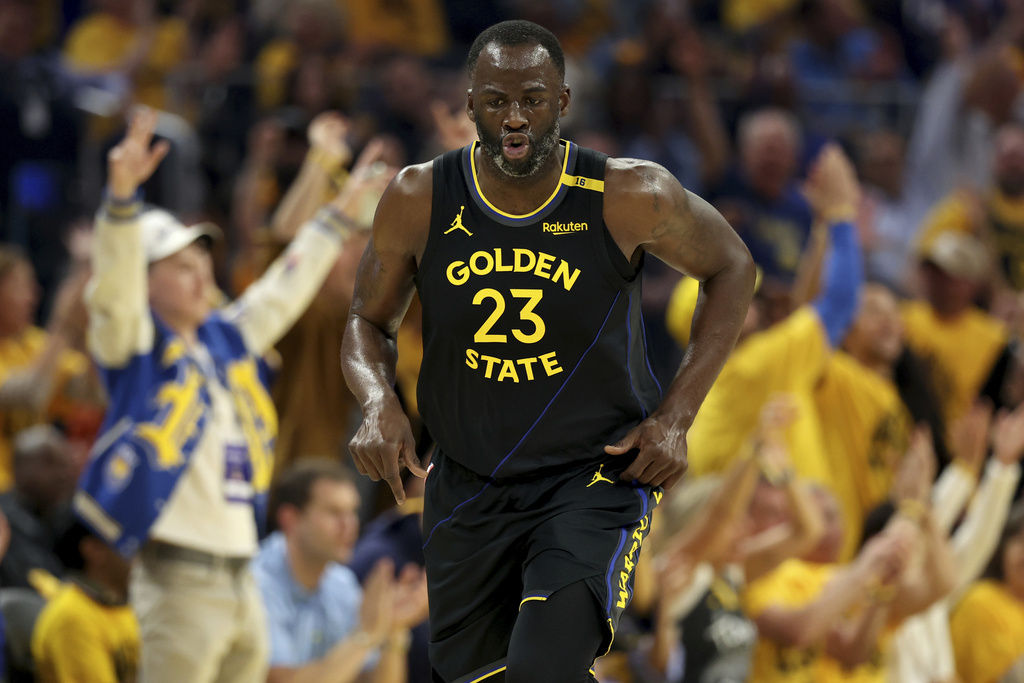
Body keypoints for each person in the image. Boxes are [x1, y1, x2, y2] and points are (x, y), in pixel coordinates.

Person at [341, 19, 756, 683]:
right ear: (470, 103)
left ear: (562, 101)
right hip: (468, 482)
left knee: (542, 670)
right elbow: (367, 317)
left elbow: (732, 266)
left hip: (590, 476)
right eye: (496, 100)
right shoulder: (420, 196)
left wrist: (676, 417)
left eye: (532, 99)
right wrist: (375, 401)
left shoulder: (628, 193)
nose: (514, 117)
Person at [73, 106, 387, 683]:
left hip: (242, 568)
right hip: (181, 573)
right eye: (181, 266)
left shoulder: (223, 342)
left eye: (203, 262)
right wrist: (120, 202)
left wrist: (340, 216)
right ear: (145, 282)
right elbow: (111, 295)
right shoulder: (135, 347)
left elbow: (283, 290)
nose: (202, 276)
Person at [252, 459, 427, 683]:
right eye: (334, 513)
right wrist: (367, 635)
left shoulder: (341, 583)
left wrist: (393, 631)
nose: (349, 525)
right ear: (290, 518)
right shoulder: (256, 582)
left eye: (352, 512)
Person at [31, 518, 138, 683]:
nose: (139, 555)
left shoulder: (123, 605)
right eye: (130, 543)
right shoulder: (73, 617)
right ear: (94, 549)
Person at [0, 425, 76, 590]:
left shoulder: (64, 516)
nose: (62, 474)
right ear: (20, 467)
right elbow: (32, 582)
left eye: (64, 464)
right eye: (50, 463)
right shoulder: (5, 519)